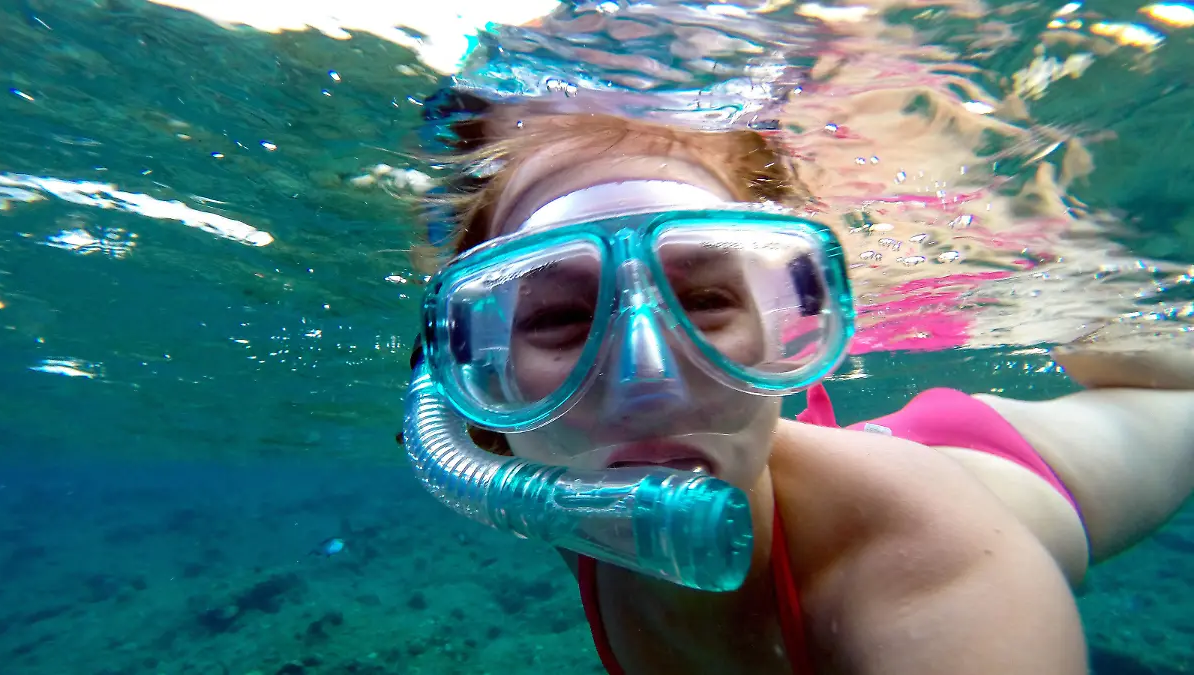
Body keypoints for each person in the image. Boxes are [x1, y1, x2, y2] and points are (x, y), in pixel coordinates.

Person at [400, 101, 1194, 675]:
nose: (650, 383)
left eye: (707, 301)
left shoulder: (925, 561)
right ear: (472, 366)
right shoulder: (566, 493)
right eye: (563, 316)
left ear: (789, 318)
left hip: (1002, 465)